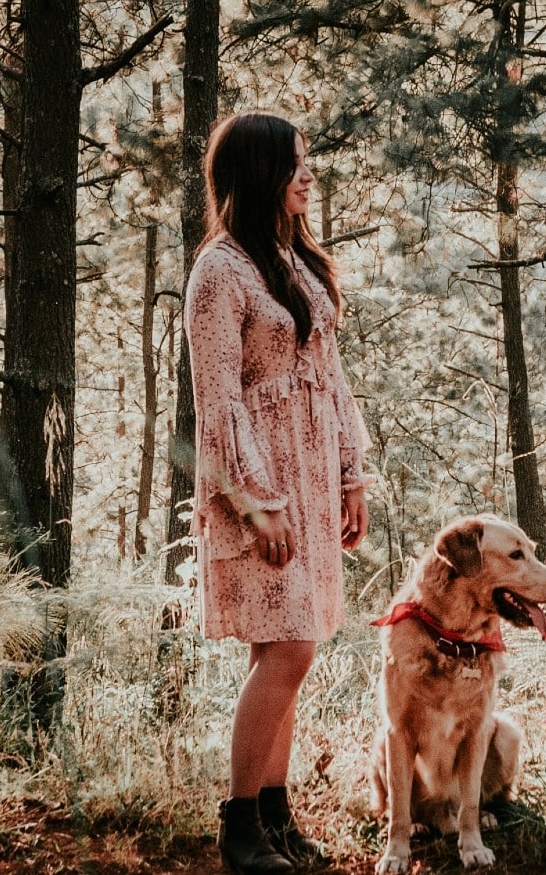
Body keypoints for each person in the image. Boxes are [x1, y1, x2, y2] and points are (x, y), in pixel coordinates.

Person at [185, 111, 375, 874]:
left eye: (308, 160)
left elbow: (330, 381)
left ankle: (274, 817)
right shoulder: (220, 271)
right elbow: (219, 397)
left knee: (291, 646)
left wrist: (351, 474)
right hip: (261, 488)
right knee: (290, 648)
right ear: (259, 173)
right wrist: (255, 500)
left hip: (311, 483)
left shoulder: (295, 264)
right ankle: (237, 829)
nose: (307, 174)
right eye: (294, 163)